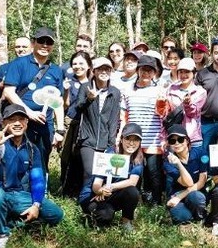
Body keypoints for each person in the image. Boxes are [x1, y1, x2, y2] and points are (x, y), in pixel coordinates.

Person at [0, 104, 65, 248]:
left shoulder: (32, 149)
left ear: (27, 123)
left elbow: (38, 180)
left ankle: (8, 225)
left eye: (21, 119)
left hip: (18, 196)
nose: (17, 123)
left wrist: (35, 205)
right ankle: (0, 235)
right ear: (4, 123)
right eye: (12, 119)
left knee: (55, 214)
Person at [1, 27, 66, 171]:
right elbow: (9, 92)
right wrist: (29, 113)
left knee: (41, 161)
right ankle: (16, 191)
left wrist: (60, 130)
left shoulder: (56, 70)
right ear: (33, 43)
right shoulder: (18, 64)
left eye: (48, 42)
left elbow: (58, 103)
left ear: (53, 46)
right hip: (20, 121)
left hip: (45, 125)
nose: (45, 45)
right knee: (16, 159)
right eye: (41, 41)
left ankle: (39, 191)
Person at [61, 57, 122, 197]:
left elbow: (113, 119)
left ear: (111, 72)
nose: (103, 72)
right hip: (87, 139)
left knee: (103, 174)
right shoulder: (86, 87)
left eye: (107, 69)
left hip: (105, 140)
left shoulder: (115, 92)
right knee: (89, 172)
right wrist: (89, 99)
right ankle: (86, 200)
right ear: (94, 71)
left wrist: (111, 143)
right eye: (100, 69)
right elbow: (78, 108)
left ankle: (99, 201)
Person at [78, 122, 143, 232]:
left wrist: (109, 187)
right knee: (106, 216)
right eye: (128, 138)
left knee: (133, 192)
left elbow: (132, 182)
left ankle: (126, 221)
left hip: (111, 193)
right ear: (121, 139)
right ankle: (90, 215)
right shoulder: (110, 153)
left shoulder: (138, 160)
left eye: (136, 139)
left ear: (140, 142)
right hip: (93, 196)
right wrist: (100, 191)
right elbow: (96, 184)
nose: (131, 143)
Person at [120, 55, 167, 205]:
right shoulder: (127, 90)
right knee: (135, 172)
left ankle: (156, 202)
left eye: (150, 71)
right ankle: (136, 201)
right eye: (143, 70)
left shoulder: (159, 90)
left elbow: (163, 115)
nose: (146, 74)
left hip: (153, 138)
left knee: (154, 173)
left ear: (155, 73)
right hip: (133, 140)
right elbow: (123, 116)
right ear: (138, 70)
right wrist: (120, 135)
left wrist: (161, 103)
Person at [163, 125, 209, 224]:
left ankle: (199, 216)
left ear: (187, 140)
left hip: (195, 194)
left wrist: (179, 197)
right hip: (176, 193)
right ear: (169, 144)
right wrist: (178, 163)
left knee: (196, 197)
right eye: (172, 141)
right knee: (182, 218)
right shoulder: (168, 163)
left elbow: (201, 183)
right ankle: (188, 214)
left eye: (180, 139)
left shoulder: (201, 154)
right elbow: (188, 183)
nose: (177, 143)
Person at [166, 58, 207, 147]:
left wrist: (187, 104)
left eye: (187, 72)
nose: (183, 75)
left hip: (192, 137)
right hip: (174, 137)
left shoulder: (200, 92)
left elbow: (193, 113)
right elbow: (166, 112)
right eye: (181, 72)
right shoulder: (170, 89)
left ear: (194, 73)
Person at [63, 51, 92, 122]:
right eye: (74, 64)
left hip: (88, 124)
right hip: (69, 122)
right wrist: (66, 91)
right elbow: (65, 105)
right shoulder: (68, 83)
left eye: (81, 63)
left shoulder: (93, 84)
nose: (78, 66)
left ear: (88, 66)